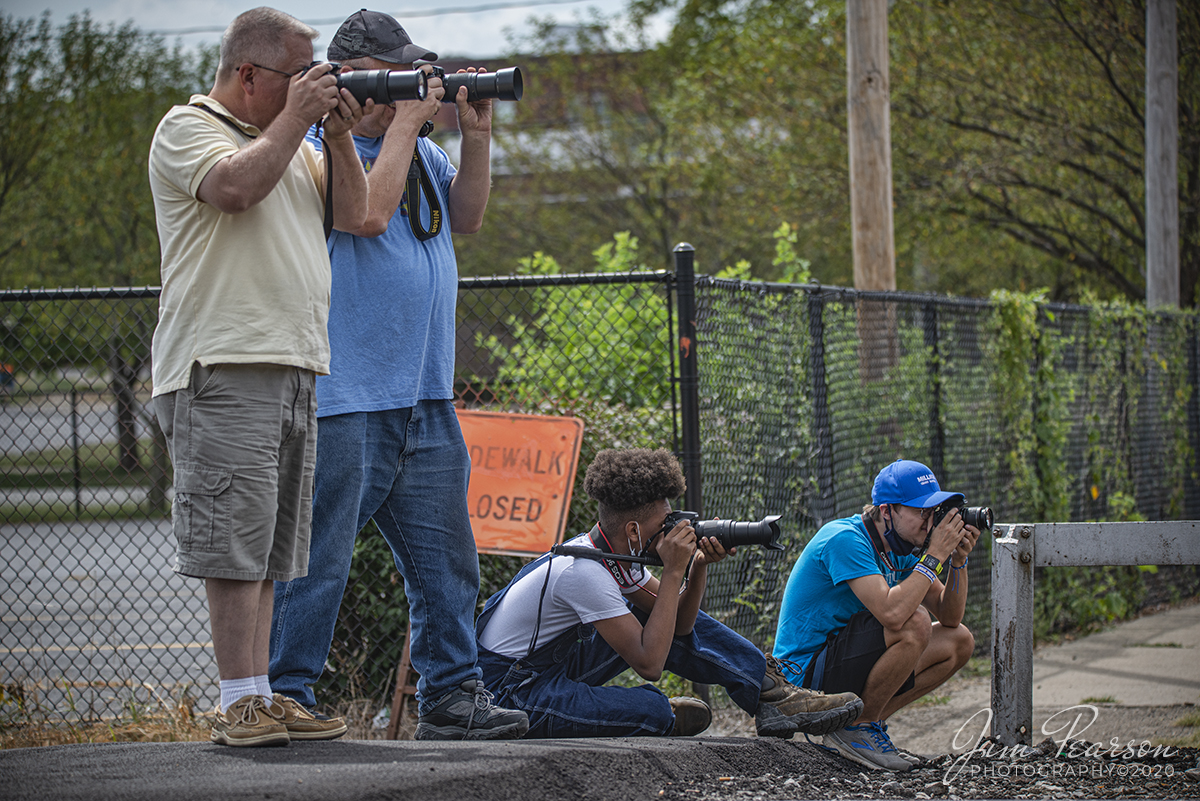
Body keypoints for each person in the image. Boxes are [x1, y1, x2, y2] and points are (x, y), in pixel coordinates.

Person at [268, 10, 527, 741]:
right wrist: (408, 124)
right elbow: (369, 217)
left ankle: (451, 696)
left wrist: (474, 134)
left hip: (425, 394)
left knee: (447, 562)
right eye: (398, 73)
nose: (414, 89)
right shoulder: (321, 150)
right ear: (356, 75)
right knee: (317, 560)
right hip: (348, 396)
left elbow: (468, 216)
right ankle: (288, 696)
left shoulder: (422, 154)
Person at [147, 6, 369, 747]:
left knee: (273, 544)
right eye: (298, 75)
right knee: (233, 539)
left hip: (293, 362)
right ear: (249, 74)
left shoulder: (299, 145)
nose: (314, 85)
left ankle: (262, 692)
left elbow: (357, 212)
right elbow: (236, 190)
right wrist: (299, 123)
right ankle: (236, 699)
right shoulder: (190, 128)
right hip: (224, 363)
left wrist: (334, 131)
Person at [474, 447, 864, 739]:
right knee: (651, 711)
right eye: (666, 524)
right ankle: (652, 712)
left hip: (550, 668)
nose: (674, 531)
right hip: (508, 692)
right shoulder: (583, 572)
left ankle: (770, 693)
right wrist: (675, 568)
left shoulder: (617, 555)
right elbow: (650, 664)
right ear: (633, 531)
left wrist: (695, 569)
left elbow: (680, 627)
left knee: (654, 613)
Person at [772, 459, 981, 771]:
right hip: (803, 677)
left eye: (932, 512)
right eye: (920, 512)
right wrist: (934, 555)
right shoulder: (845, 538)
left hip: (839, 661)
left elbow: (950, 617)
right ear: (887, 511)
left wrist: (958, 561)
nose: (929, 522)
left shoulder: (902, 548)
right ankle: (857, 728)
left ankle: (866, 723)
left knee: (959, 641)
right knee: (915, 622)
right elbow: (894, 614)